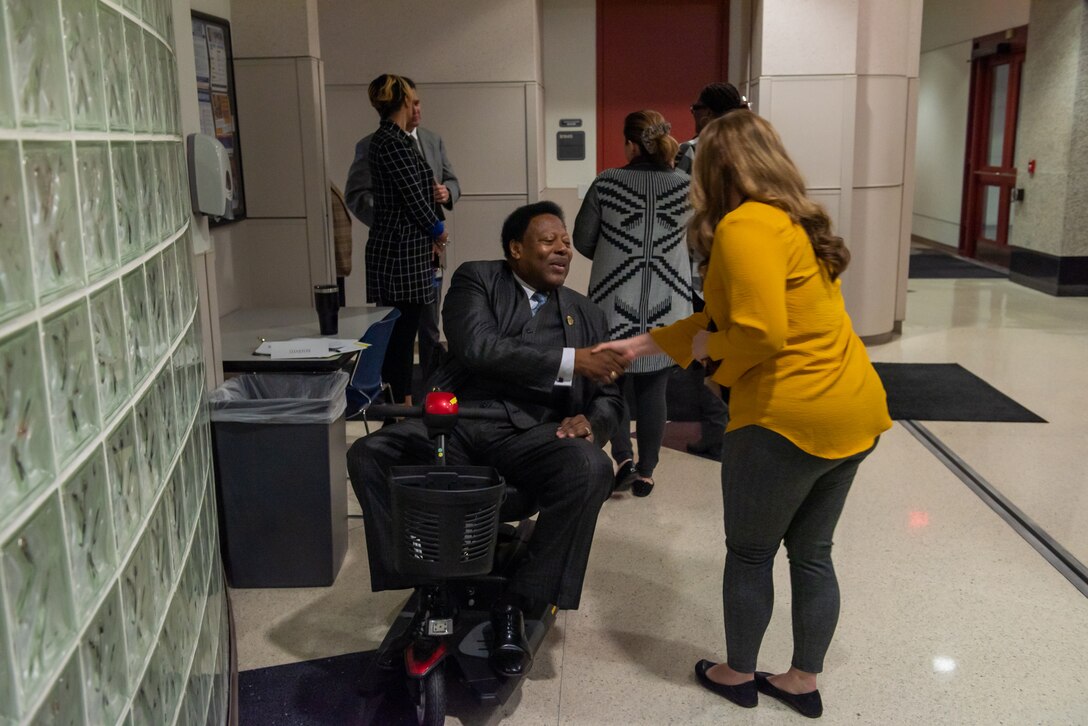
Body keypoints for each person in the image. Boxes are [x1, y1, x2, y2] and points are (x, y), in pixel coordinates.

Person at [595, 111, 891, 718]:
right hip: (852, 408)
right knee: (813, 553)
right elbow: (719, 321)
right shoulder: (793, 222)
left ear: (712, 169)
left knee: (751, 553)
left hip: (788, 417)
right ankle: (803, 679)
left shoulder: (743, 227)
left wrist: (716, 363)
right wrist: (642, 345)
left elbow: (756, 334)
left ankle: (737, 674)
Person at [347, 201, 628, 678]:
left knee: (591, 468)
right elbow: (478, 347)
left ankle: (517, 599)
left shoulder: (586, 313)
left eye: (566, 242)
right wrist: (570, 361)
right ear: (516, 249)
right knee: (371, 452)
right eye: (548, 240)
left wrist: (594, 424)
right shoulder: (476, 279)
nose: (562, 248)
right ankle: (423, 583)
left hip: (534, 435)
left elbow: (610, 396)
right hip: (455, 425)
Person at [573, 110, 691, 497]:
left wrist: (615, 256)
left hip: (613, 298)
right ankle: (647, 471)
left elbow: (582, 239)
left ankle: (622, 458)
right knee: (654, 389)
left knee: (613, 385)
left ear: (630, 144)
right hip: (669, 303)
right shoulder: (688, 187)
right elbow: (699, 243)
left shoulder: (607, 183)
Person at [345, 77, 460, 384]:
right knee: (399, 331)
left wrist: (446, 194)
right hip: (403, 251)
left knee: (426, 327)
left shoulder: (427, 140)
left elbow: (450, 181)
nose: (418, 108)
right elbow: (367, 196)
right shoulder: (386, 143)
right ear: (405, 102)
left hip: (424, 252)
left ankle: (427, 388)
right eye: (414, 101)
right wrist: (425, 228)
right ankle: (400, 400)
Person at [677, 82, 749, 458]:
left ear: (706, 112)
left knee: (709, 352)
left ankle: (717, 434)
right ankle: (745, 430)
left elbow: (680, 211)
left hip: (703, 267)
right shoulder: (755, 150)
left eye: (695, 107)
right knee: (743, 345)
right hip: (750, 263)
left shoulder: (692, 152)